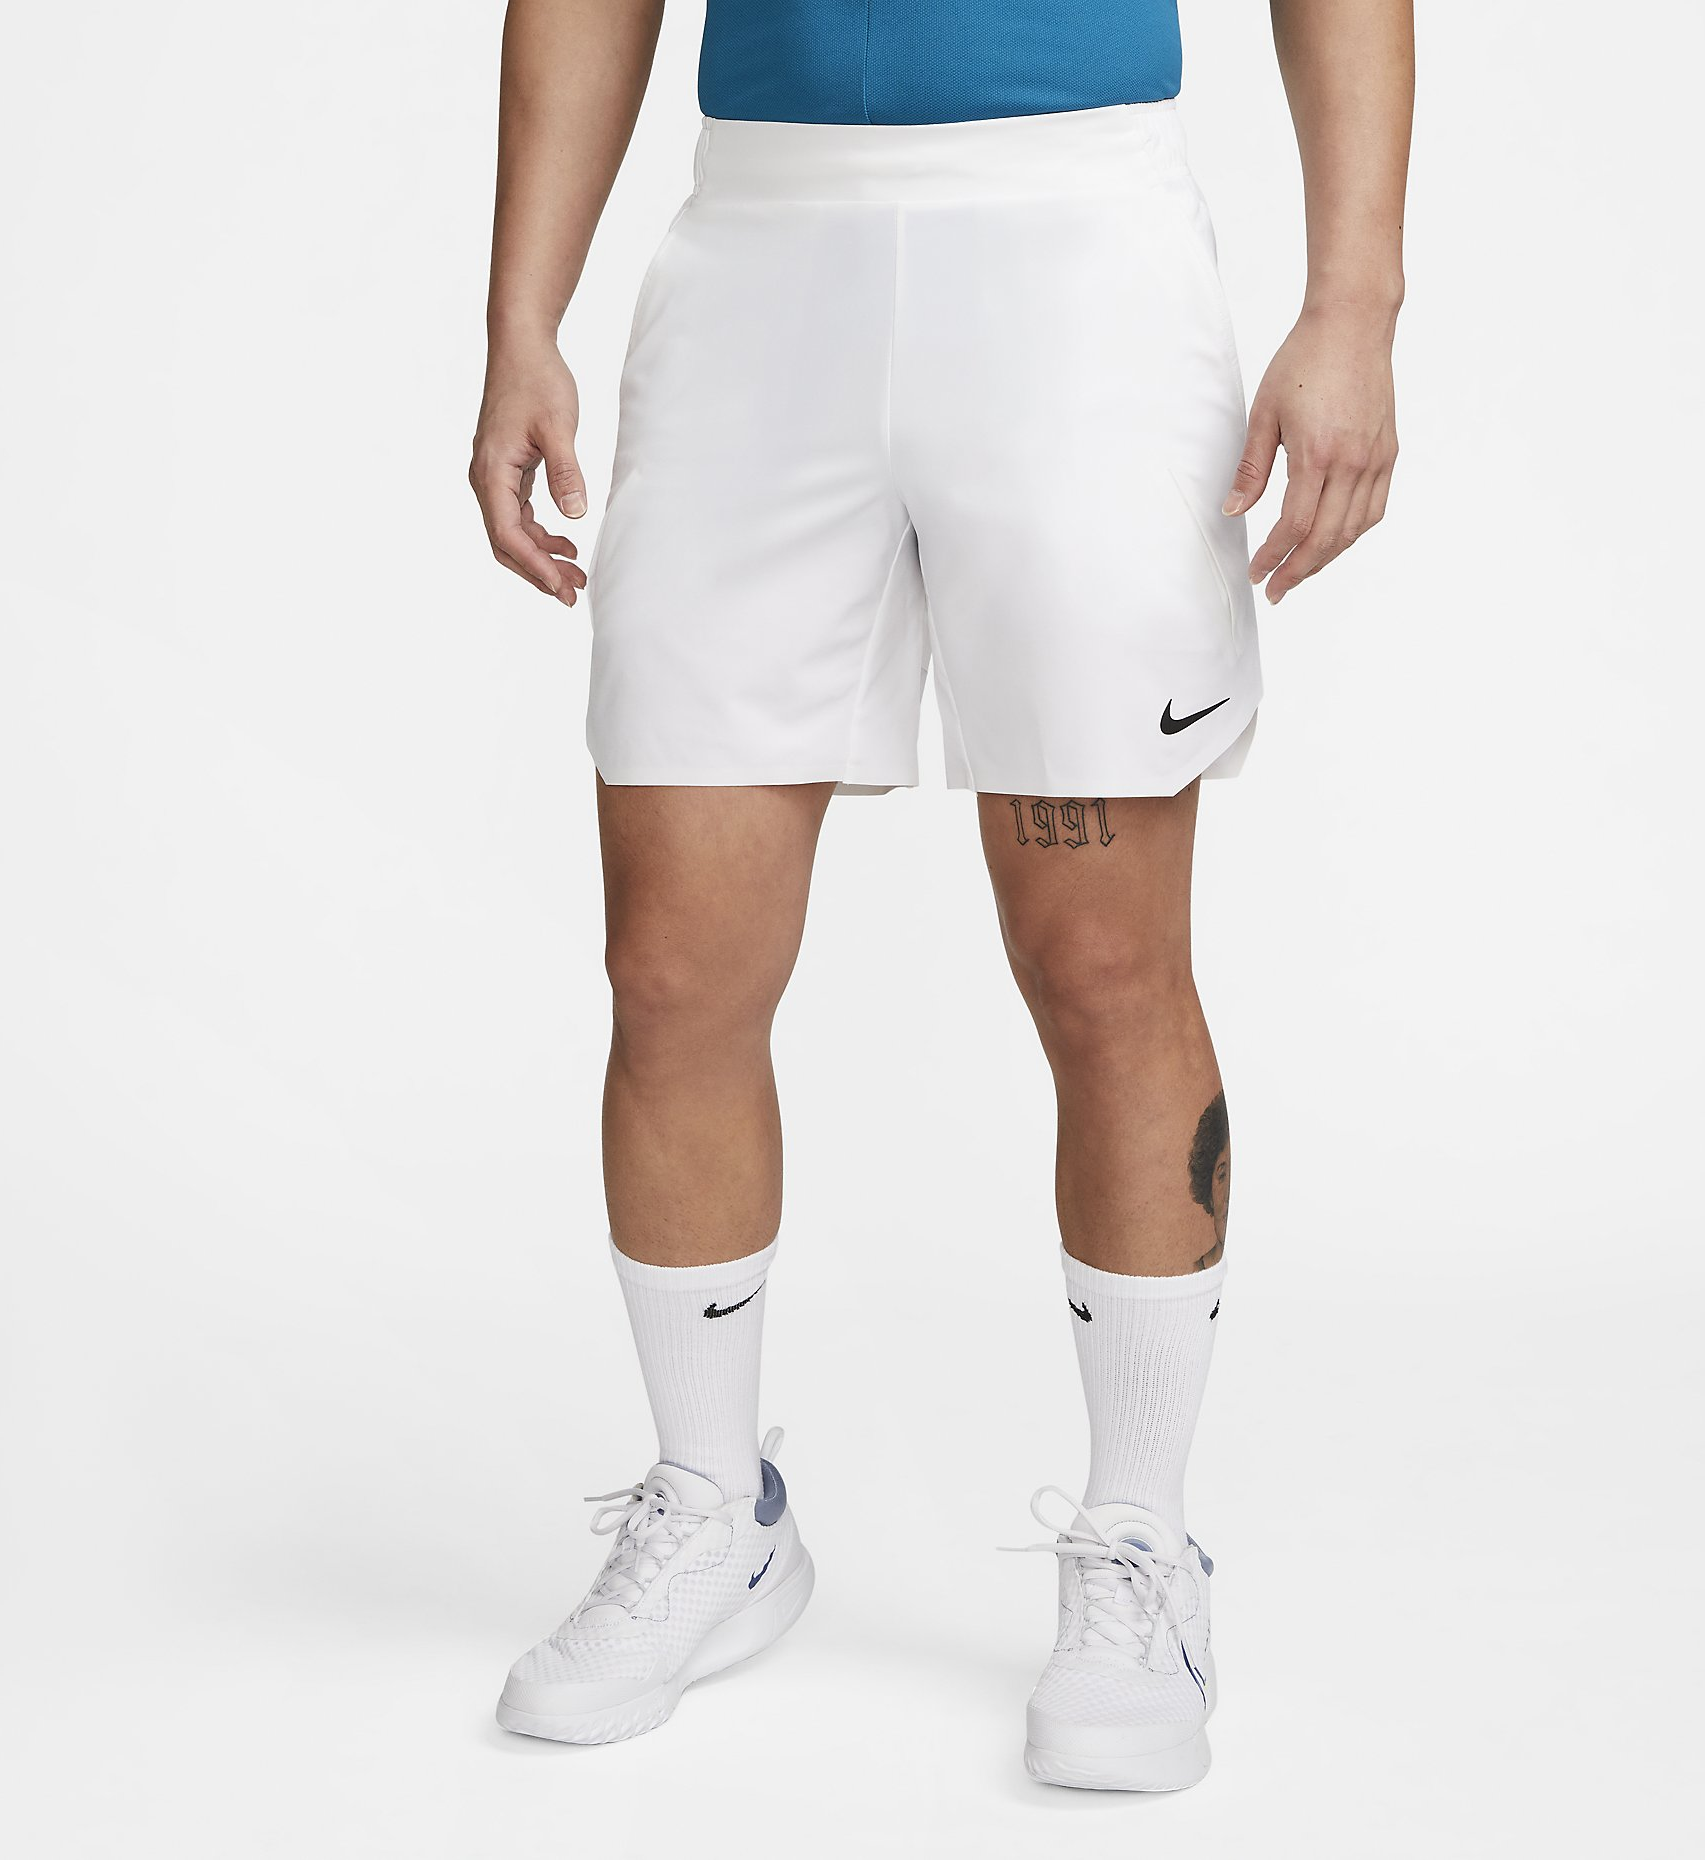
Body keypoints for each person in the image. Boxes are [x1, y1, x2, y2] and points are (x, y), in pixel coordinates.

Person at [469, 0, 1411, 1793]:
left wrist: (1354, 302)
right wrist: (523, 315)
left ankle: (1141, 1542)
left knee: (1102, 962)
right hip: (759, 259)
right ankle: (715, 1507)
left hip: (1077, 255)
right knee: (672, 966)